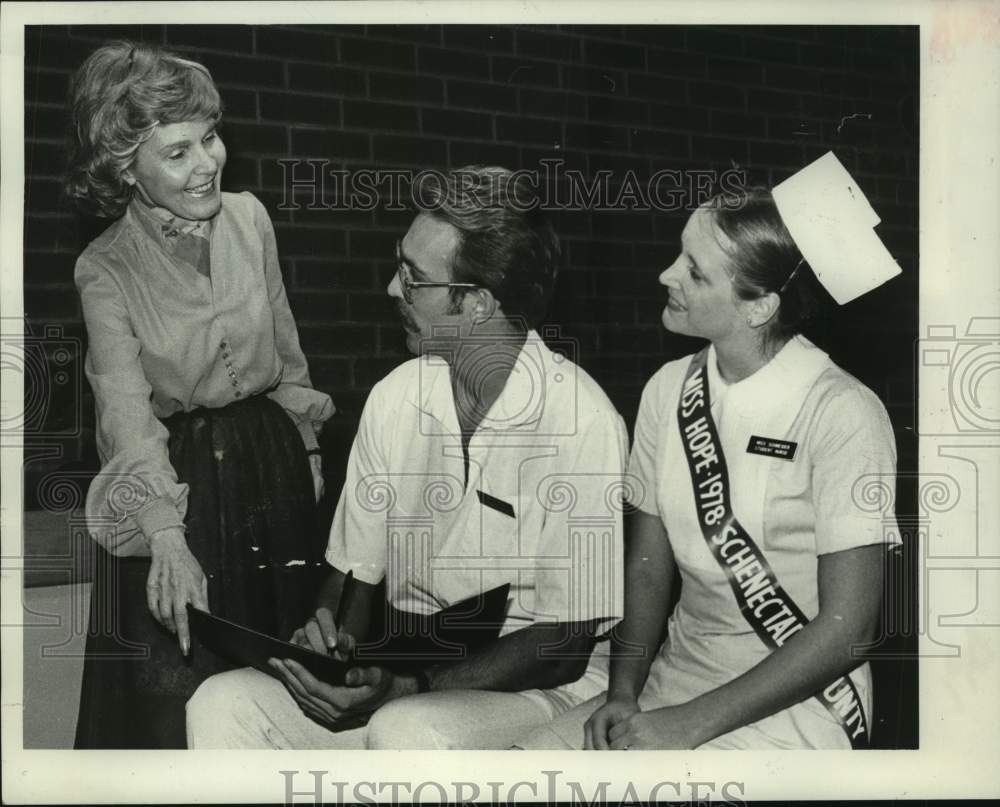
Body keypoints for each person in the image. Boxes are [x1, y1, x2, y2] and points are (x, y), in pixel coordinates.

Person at [186, 166, 628, 749]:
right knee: (224, 702)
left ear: (475, 303)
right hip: (414, 664)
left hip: (540, 690)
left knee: (407, 729)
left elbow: (563, 646)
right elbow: (353, 579)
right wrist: (331, 647)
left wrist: (409, 688)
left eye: (414, 278)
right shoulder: (397, 397)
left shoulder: (583, 421)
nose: (393, 290)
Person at [518, 151, 902, 750]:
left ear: (759, 305)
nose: (667, 275)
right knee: (526, 768)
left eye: (695, 272)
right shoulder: (667, 390)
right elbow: (648, 568)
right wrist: (624, 690)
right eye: (679, 255)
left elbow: (848, 628)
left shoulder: (843, 412)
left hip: (798, 701)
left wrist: (691, 724)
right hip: (675, 680)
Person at [65, 41, 334, 748]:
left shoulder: (251, 219)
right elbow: (125, 414)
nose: (206, 161)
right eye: (177, 151)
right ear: (126, 168)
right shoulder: (105, 269)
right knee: (175, 701)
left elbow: (289, 357)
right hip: (174, 488)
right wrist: (164, 536)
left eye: (209, 138)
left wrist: (305, 445)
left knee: (283, 694)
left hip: (268, 473)